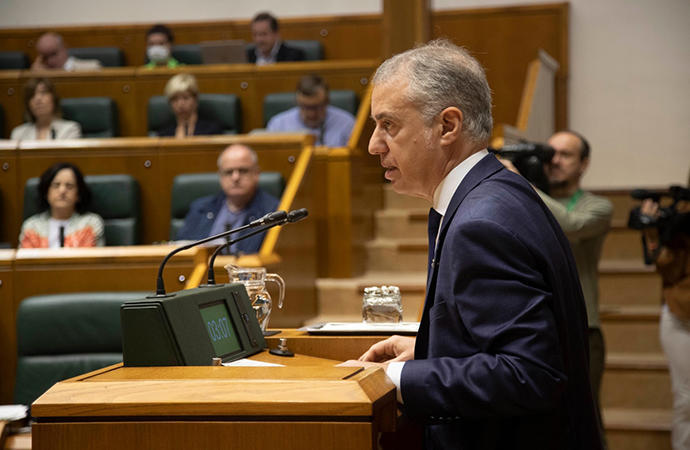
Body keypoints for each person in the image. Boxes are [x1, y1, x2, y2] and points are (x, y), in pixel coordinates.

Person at [348, 40, 602, 449]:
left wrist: (392, 378)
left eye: (388, 125)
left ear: (447, 126)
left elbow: (530, 373)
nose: (374, 145)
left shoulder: (481, 222)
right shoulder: (495, 192)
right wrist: (431, 349)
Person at [500, 130, 612, 448]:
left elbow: (571, 224)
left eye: (566, 155)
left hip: (583, 326)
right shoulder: (530, 198)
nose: (556, 161)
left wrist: (522, 183)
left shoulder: (598, 207)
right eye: (551, 154)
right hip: (540, 324)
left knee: (586, 416)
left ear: (584, 164)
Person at [640, 182, 690, 450]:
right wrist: (653, 232)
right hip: (681, 314)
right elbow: (667, 267)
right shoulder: (681, 214)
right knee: (687, 400)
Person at [177, 144, 279, 254]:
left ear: (256, 174)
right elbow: (182, 252)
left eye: (243, 171)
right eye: (229, 172)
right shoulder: (200, 208)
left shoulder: (272, 212)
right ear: (220, 176)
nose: (235, 177)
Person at [19, 162, 105, 248]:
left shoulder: (90, 224)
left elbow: (91, 260)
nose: (62, 191)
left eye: (69, 186)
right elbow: (26, 260)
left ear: (79, 194)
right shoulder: (32, 227)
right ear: (46, 192)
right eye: (56, 185)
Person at [266, 74, 355, 147]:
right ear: (297, 102)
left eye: (316, 107)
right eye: (305, 107)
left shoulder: (347, 124)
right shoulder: (278, 125)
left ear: (327, 102)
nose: (311, 114)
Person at [10, 78, 82, 140]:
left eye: (43, 93)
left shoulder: (70, 130)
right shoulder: (18, 134)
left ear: (54, 98)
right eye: (32, 95)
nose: (38, 99)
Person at [157, 73, 222, 137]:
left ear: (195, 99)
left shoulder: (212, 130)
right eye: (175, 99)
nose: (180, 104)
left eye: (186, 98)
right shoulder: (164, 132)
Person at [31, 32, 102, 71]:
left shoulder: (92, 68)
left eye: (53, 54)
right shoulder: (39, 74)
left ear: (64, 48)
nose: (50, 61)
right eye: (45, 57)